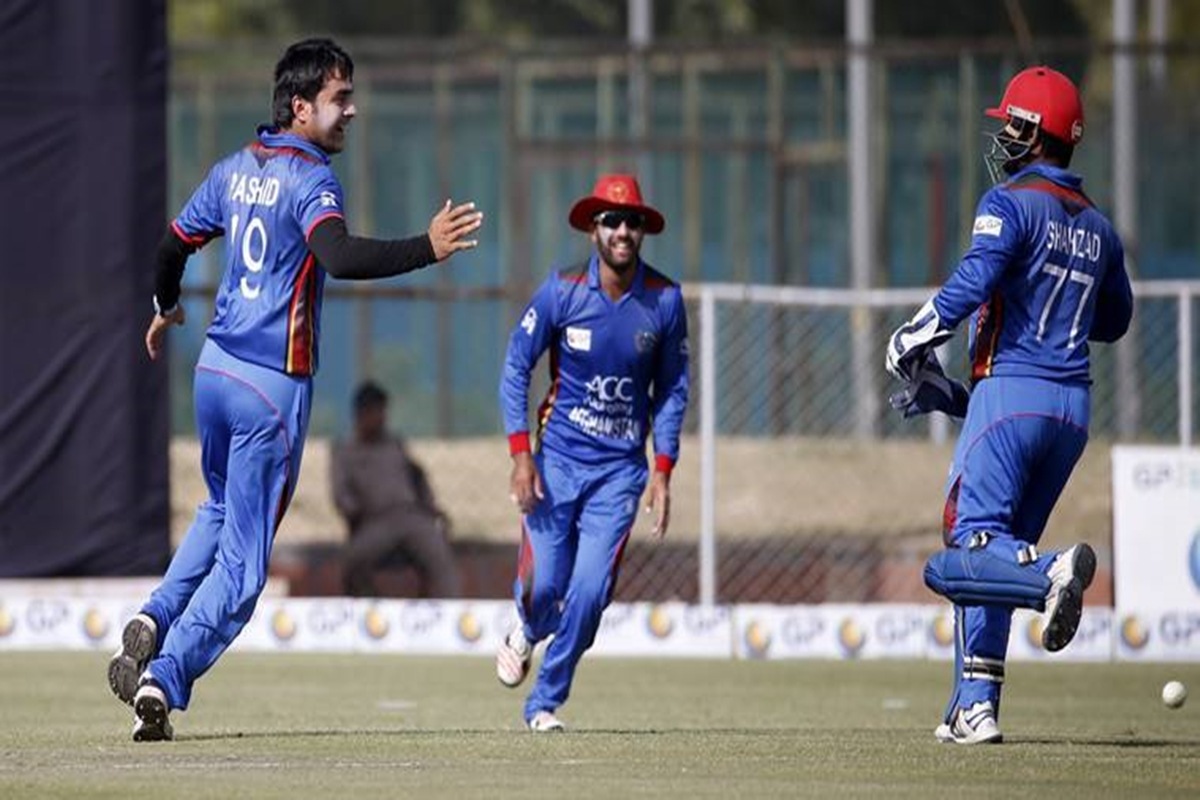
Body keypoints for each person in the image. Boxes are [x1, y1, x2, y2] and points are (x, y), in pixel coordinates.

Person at [106, 38, 483, 741]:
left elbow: (171, 248)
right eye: (341, 98)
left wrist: (164, 307)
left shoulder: (233, 168)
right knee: (246, 572)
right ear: (300, 106)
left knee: (218, 511)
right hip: (269, 389)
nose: (352, 111)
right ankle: (166, 673)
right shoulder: (311, 178)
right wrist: (425, 248)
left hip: (214, 370)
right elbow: (336, 254)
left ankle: (154, 617)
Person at [885, 66, 1133, 745]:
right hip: (1071, 412)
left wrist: (922, 326)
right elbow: (1113, 321)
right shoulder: (1100, 228)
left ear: (1038, 132)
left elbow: (978, 274)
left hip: (1012, 392)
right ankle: (975, 707)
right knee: (997, 549)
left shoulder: (1008, 201)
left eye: (1012, 124)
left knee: (963, 552)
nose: (1003, 134)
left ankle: (1053, 573)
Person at [495, 174, 690, 732]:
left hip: (619, 474)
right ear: (592, 229)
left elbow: (673, 389)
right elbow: (515, 367)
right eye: (611, 221)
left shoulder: (665, 301)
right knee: (544, 589)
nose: (622, 231)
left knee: (589, 592)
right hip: (554, 463)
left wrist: (663, 468)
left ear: (643, 232)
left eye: (632, 222)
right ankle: (527, 628)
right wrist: (520, 454)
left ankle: (544, 703)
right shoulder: (561, 292)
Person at [331, 381, 461, 598]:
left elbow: (418, 478)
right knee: (353, 562)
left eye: (383, 411)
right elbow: (341, 493)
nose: (381, 418)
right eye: (375, 412)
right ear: (361, 414)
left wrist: (431, 508)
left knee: (439, 557)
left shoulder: (394, 444)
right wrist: (354, 515)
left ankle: (445, 615)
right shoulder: (345, 452)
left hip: (412, 516)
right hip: (374, 521)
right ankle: (374, 615)